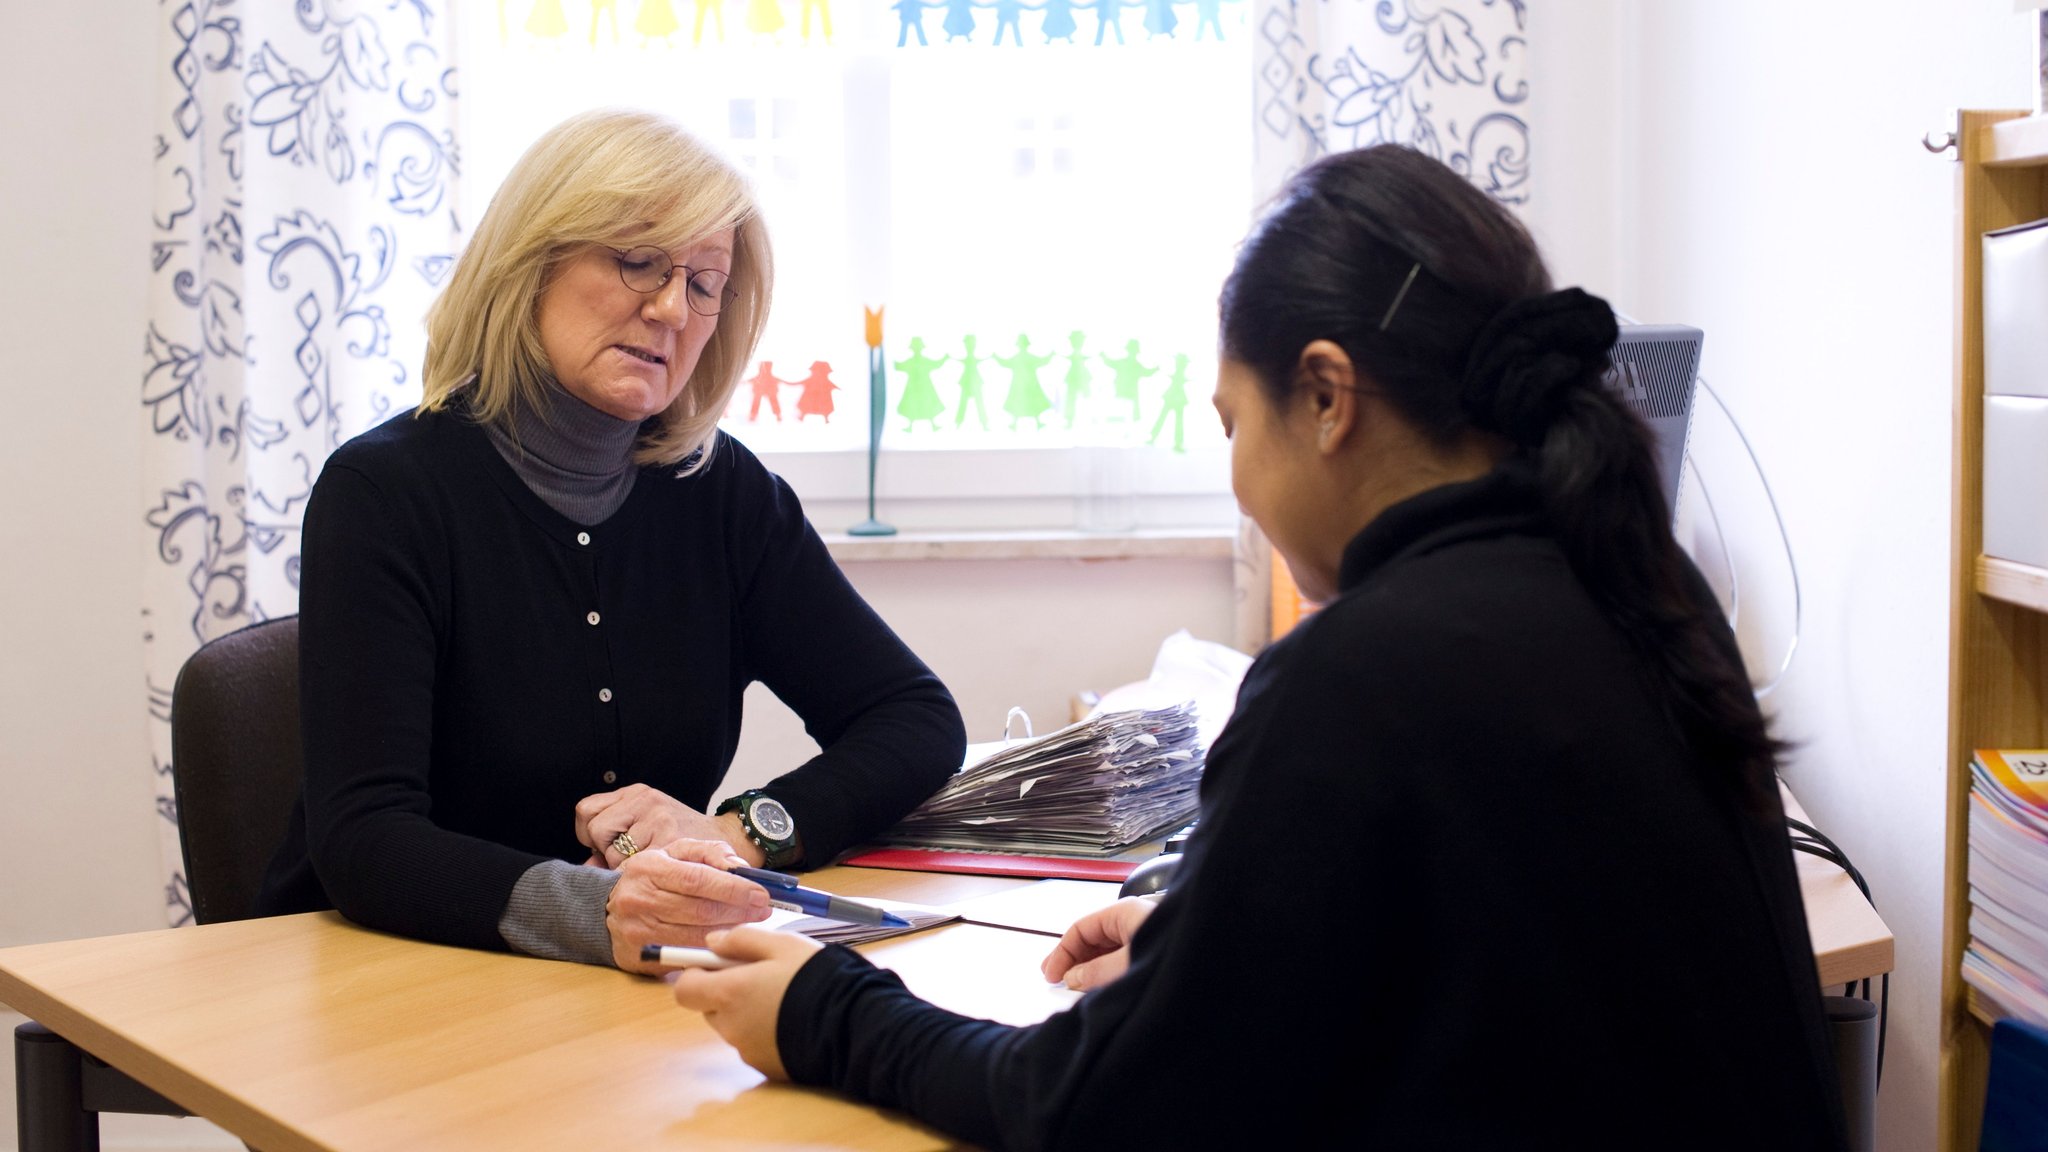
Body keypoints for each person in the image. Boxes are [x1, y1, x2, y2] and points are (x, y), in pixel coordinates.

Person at [667, 144, 1850, 1149]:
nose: (1236, 482)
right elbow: (1518, 957)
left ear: (1327, 397)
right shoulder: (1635, 580)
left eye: (1232, 422)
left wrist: (827, 1009)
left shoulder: (1365, 667)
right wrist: (1218, 943)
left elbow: (1098, 1109)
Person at [252, 108, 966, 975]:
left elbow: (915, 720)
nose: (673, 308)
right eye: (637, 262)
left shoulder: (721, 492)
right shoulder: (386, 492)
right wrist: (600, 912)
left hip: (619, 992)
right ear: (531, 265)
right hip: (385, 976)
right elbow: (365, 838)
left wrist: (736, 834)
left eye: (705, 283)